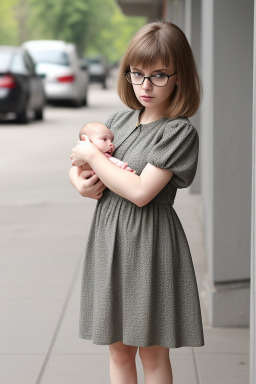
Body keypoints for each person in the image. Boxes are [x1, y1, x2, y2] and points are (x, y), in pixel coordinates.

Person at [69, 20, 204, 384]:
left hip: (150, 243)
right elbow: (79, 160)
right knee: (118, 348)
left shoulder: (179, 131)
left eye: (159, 75)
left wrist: (92, 158)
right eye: (137, 73)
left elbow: (142, 192)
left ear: (179, 76)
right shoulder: (118, 120)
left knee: (152, 351)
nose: (145, 85)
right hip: (109, 238)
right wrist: (79, 182)